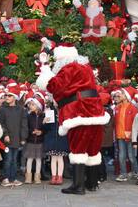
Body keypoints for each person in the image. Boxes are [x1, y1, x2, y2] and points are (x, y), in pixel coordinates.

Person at [36, 45, 110, 195]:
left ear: (62, 59)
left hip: (78, 111)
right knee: (93, 149)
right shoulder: (86, 68)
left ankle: (78, 186)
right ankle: (92, 183)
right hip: (95, 111)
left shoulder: (68, 68)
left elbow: (53, 86)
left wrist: (45, 72)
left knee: (78, 148)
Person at [0, 86, 28, 187]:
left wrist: (23, 137)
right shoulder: (2, 109)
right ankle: (6, 178)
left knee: (15, 160)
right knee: (8, 159)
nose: (7, 97)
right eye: (6, 95)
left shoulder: (21, 110)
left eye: (9, 95)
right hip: (7, 138)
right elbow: (0, 124)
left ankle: (13, 178)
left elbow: (24, 124)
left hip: (17, 138)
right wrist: (5, 134)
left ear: (14, 97)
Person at [113, 87, 138, 182]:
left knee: (131, 156)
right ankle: (123, 173)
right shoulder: (117, 108)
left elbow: (135, 123)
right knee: (121, 156)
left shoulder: (133, 108)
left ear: (127, 96)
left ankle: (135, 171)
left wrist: (132, 134)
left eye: (122, 94)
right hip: (120, 136)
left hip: (130, 136)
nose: (120, 95)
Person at [43, 100, 69, 185]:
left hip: (62, 137)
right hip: (52, 138)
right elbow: (47, 127)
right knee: (53, 158)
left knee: (60, 158)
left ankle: (60, 176)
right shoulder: (50, 111)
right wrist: (45, 122)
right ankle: (54, 176)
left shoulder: (66, 111)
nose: (56, 103)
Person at [23, 93, 45, 185]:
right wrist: (31, 131)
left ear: (38, 106)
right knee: (30, 158)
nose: (30, 106)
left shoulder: (43, 116)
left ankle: (37, 177)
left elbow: (46, 128)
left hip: (40, 141)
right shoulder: (28, 116)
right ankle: (28, 176)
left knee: (39, 159)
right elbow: (26, 127)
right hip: (31, 140)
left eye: (32, 104)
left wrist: (41, 131)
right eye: (29, 104)